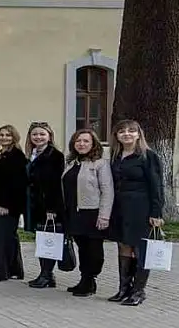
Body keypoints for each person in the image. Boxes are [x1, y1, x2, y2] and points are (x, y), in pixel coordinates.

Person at [108, 120, 164, 306]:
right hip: (119, 207)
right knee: (124, 245)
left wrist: (156, 213)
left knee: (140, 249)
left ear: (138, 134)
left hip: (141, 207)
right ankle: (124, 288)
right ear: (116, 136)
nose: (127, 134)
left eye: (131, 131)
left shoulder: (148, 156)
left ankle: (139, 291)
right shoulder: (115, 156)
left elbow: (157, 187)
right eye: (122, 131)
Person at [60, 129, 114, 297]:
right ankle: (84, 279)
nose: (81, 144)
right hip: (74, 212)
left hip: (92, 213)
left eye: (85, 141)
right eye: (78, 141)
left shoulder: (100, 163)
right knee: (82, 247)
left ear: (93, 144)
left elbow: (108, 190)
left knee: (93, 249)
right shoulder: (71, 162)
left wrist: (104, 216)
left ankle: (91, 280)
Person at [26, 121, 64, 289]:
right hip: (35, 204)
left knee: (49, 240)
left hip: (48, 206)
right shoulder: (33, 153)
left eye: (42, 134)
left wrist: (52, 209)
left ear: (49, 136)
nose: (38, 137)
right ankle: (46, 273)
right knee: (41, 239)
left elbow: (54, 184)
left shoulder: (55, 155)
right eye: (35, 134)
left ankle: (46, 274)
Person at [0, 125, 27, 282]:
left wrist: (5, 204)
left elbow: (15, 184)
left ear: (14, 137)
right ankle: (14, 269)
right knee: (9, 238)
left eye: (8, 135)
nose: (4, 138)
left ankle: (0, 272)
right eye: (1, 135)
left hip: (7, 205)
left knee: (0, 238)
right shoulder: (1, 154)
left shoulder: (16, 157)